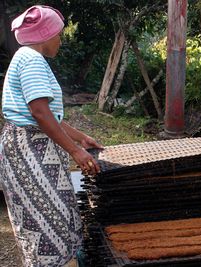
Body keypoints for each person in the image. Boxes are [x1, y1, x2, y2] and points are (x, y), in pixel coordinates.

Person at [0, 5, 103, 267]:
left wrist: (80, 138)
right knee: (48, 221)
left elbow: (49, 116)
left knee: (54, 215)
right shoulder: (32, 60)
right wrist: (75, 151)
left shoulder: (27, 58)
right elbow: (39, 113)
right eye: (58, 34)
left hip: (31, 148)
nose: (60, 40)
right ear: (45, 36)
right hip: (29, 153)